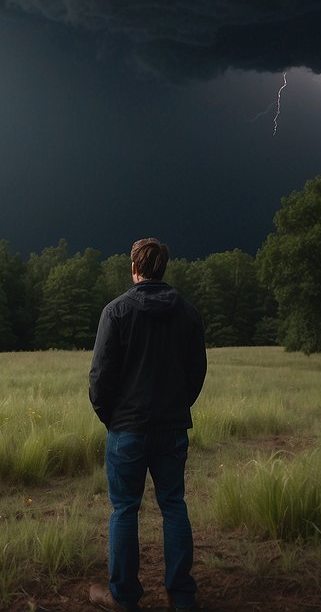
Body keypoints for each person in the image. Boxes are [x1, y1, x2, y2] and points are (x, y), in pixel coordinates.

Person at [87, 238, 207, 612]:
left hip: (127, 430)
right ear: (163, 268)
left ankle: (123, 598)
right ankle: (182, 596)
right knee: (173, 505)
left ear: (134, 267)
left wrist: (112, 417)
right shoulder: (187, 313)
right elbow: (197, 372)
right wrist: (176, 407)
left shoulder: (116, 312)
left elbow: (100, 378)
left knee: (124, 509)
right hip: (171, 429)